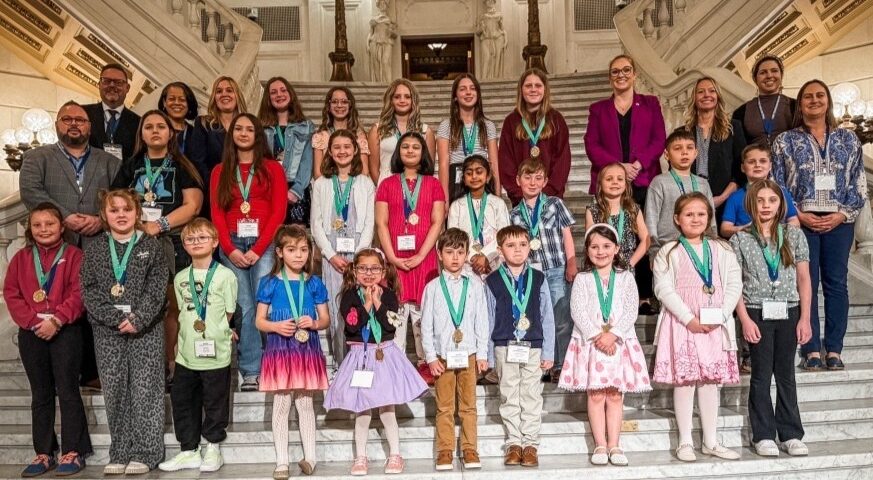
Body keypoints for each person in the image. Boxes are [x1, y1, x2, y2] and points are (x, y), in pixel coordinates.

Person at [20, 100, 121, 390]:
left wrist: (101, 220)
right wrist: (65, 217)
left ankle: (92, 372)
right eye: (67, 119)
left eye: (81, 119)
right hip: (53, 247)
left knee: (94, 307)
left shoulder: (110, 162)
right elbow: (31, 192)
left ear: (90, 126)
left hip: (97, 245)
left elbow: (121, 200)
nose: (74, 123)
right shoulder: (37, 158)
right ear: (57, 125)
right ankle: (62, 374)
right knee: (59, 304)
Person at [771, 79, 865, 371]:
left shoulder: (849, 140)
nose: (814, 100)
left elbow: (858, 183)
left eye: (819, 95)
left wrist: (841, 214)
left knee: (836, 284)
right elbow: (776, 184)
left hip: (839, 222)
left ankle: (834, 349)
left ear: (828, 101)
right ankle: (811, 348)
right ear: (800, 104)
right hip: (800, 222)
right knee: (805, 284)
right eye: (808, 96)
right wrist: (796, 214)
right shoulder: (784, 141)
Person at [111, 109, 204, 381]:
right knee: (140, 304)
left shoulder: (181, 165)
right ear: (141, 133)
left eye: (160, 126)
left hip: (172, 241)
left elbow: (193, 206)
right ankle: (144, 365)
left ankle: (172, 363)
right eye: (148, 126)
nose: (154, 131)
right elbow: (115, 203)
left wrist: (159, 224)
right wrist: (135, 227)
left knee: (173, 306)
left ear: (170, 132)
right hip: (134, 243)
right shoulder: (131, 166)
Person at [80, 189, 168, 475]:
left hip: (146, 330)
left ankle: (146, 452)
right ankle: (119, 450)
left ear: (137, 212)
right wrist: (115, 318)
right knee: (115, 390)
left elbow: (157, 288)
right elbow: (89, 290)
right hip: (107, 331)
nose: (120, 214)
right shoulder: (93, 248)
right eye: (114, 210)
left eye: (126, 209)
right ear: (104, 215)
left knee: (146, 390)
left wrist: (138, 318)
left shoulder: (152, 245)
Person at [652, 192, 741, 462]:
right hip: (683, 322)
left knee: (710, 382)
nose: (695, 219)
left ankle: (711, 441)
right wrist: (689, 317)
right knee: (686, 380)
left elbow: (734, 284)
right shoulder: (668, 252)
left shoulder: (722, 249)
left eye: (701, 214)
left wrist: (721, 315)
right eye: (689, 214)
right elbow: (663, 288)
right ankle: (685, 441)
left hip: (715, 324)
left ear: (709, 218)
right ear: (677, 219)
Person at [4, 203, 91, 477]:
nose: (44, 229)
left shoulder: (75, 255)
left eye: (49, 224)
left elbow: (79, 293)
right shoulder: (21, 258)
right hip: (32, 333)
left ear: (61, 226)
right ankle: (44, 452)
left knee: (67, 390)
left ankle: (73, 451)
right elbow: (12, 293)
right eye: (37, 225)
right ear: (30, 228)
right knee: (40, 394)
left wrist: (57, 320)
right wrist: (32, 322)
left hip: (65, 330)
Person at [323, 248, 427, 476]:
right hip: (360, 356)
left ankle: (395, 454)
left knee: (387, 407)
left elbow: (391, 325)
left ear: (383, 270)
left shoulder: (389, 295)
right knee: (362, 409)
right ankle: (360, 457)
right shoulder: (349, 295)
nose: (369, 273)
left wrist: (378, 303)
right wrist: (367, 303)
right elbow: (353, 325)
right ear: (354, 270)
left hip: (384, 354)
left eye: (374, 268)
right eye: (363, 268)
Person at [730, 180, 812, 458]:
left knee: (786, 375)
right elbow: (734, 285)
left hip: (789, 310)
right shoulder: (740, 239)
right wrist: (744, 319)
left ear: (780, 204)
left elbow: (804, 279)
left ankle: (790, 433)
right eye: (760, 200)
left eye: (772, 201)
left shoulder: (794, 235)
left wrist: (805, 319)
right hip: (756, 311)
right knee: (761, 375)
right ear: (751, 204)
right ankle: (763, 434)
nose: (766, 206)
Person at [559, 223, 650, 466]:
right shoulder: (583, 278)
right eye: (595, 246)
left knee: (615, 395)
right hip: (592, 344)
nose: (601, 251)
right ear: (587, 250)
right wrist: (597, 335)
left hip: (619, 343)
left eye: (607, 246)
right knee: (597, 394)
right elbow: (577, 310)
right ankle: (600, 443)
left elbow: (631, 309)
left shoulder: (626, 277)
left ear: (617, 248)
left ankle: (615, 445)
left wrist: (614, 334)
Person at [210, 113, 287, 391]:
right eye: (238, 129)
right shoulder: (220, 171)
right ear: (231, 135)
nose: (243, 133)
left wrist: (260, 247)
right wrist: (228, 250)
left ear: (258, 135)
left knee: (265, 301)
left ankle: (276, 364)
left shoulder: (272, 168)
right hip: (231, 243)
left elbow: (279, 211)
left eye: (249, 129)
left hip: (264, 242)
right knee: (243, 305)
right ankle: (252, 370)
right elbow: (217, 212)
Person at [585, 54, 664, 313]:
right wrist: (618, 167)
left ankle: (641, 295)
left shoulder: (650, 103)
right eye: (615, 71)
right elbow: (591, 144)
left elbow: (659, 138)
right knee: (606, 235)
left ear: (634, 74)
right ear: (610, 77)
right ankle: (605, 289)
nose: (621, 75)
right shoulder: (598, 109)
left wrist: (639, 163)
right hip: (611, 181)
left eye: (626, 70)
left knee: (638, 236)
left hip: (642, 178)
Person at [158, 219, 237, 473]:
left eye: (202, 238)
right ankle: (189, 450)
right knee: (182, 400)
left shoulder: (226, 275)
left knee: (215, 401)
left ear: (214, 242)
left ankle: (213, 447)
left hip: (216, 352)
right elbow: (180, 312)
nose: (196, 242)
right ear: (184, 244)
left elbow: (229, 312)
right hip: (186, 353)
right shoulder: (181, 277)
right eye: (190, 239)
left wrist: (216, 332)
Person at [254, 225, 330, 480]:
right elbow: (259, 321)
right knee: (282, 403)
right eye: (292, 250)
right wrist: (275, 326)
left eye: (304, 250)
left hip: (306, 347)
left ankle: (310, 457)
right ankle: (282, 461)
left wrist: (315, 323)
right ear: (279, 253)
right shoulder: (269, 283)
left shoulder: (315, 283)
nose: (299, 255)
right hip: (280, 348)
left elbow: (325, 320)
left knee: (306, 404)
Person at [374, 131, 446, 384]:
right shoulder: (387, 184)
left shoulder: (434, 184)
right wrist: (391, 257)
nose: (411, 151)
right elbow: (381, 224)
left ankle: (427, 365)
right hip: (395, 260)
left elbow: (437, 222)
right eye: (405, 147)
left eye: (416, 147)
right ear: (398, 152)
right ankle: (396, 365)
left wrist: (422, 254)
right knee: (396, 312)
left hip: (423, 259)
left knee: (422, 313)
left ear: (424, 152)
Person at [485, 225, 554, 467]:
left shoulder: (539, 278)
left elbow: (547, 317)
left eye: (522, 245)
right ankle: (514, 443)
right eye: (511, 245)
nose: (517, 250)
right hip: (504, 344)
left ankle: (531, 444)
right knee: (509, 394)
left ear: (530, 247)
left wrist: (549, 351)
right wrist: (489, 355)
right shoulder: (492, 280)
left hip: (533, 345)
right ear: (500, 250)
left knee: (532, 395)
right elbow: (488, 318)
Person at [421, 228, 490, 471]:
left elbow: (482, 321)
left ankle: (470, 448)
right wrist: (430, 357)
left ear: (466, 254)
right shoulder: (432, 288)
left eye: (460, 252)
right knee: (445, 406)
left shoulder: (475, 285)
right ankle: (445, 450)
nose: (455, 258)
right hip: (442, 355)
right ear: (439, 254)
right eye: (449, 252)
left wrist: (482, 354)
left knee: (469, 405)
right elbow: (426, 325)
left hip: (469, 353)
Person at [310, 130, 376, 365]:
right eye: (336, 147)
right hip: (333, 256)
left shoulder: (365, 182)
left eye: (347, 146)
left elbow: (369, 221)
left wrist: (360, 257)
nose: (342, 151)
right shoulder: (321, 183)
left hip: (358, 254)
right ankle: (341, 363)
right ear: (329, 151)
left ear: (355, 149)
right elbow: (316, 224)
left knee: (359, 306)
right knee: (337, 309)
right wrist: (330, 255)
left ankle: (362, 360)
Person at [509, 157, 575, 381]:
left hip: (556, 268)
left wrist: (572, 261)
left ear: (545, 181)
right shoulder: (515, 214)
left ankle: (561, 364)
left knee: (561, 318)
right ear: (518, 180)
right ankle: (543, 363)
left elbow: (566, 233)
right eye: (527, 177)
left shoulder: (555, 204)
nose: (533, 182)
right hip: (531, 274)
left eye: (538, 178)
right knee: (539, 317)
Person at [498, 68, 570, 206]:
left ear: (545, 89)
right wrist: (520, 195)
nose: (533, 89)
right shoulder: (511, 121)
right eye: (528, 86)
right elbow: (506, 163)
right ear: (521, 90)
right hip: (521, 201)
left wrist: (546, 194)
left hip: (551, 201)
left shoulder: (556, 120)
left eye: (538, 85)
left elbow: (562, 161)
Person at [645, 128, 716, 258]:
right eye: (677, 148)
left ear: (696, 153)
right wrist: (653, 251)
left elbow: (711, 220)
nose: (684, 152)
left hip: (700, 248)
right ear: (666, 155)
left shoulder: (703, 184)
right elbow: (651, 219)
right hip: (667, 249)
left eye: (689, 148)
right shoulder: (659, 182)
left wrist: (713, 246)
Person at [684, 77, 746, 221]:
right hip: (691, 201)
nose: (707, 95)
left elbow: (741, 169)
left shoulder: (733, 128)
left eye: (712, 91)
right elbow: (676, 170)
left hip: (726, 201)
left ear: (717, 96)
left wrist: (722, 198)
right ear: (694, 98)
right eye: (701, 92)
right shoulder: (683, 132)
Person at [259, 77, 315, 226]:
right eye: (273, 92)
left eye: (283, 90)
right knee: (272, 237)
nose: (279, 95)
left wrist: (295, 191)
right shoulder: (260, 128)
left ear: (291, 94)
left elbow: (307, 162)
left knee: (297, 239)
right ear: (268, 98)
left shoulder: (306, 126)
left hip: (297, 190)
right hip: (269, 190)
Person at [436, 74, 500, 199]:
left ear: (478, 94)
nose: (468, 92)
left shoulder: (488, 125)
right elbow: (443, 164)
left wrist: (497, 195)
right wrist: (444, 198)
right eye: (462, 89)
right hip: (456, 179)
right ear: (455, 97)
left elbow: (494, 163)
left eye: (472, 88)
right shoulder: (446, 125)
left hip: (482, 177)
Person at [447, 154, 510, 277]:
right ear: (463, 179)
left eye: (479, 172)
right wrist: (473, 257)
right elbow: (453, 237)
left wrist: (486, 256)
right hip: (467, 265)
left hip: (494, 263)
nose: (474, 176)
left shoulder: (498, 204)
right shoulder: (456, 206)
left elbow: (504, 235)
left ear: (488, 177)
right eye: (469, 173)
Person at [720, 144, 800, 239]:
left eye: (763, 161)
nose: (757, 165)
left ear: (770, 166)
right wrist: (746, 229)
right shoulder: (735, 197)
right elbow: (724, 229)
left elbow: (794, 221)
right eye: (751, 162)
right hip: (747, 245)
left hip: (778, 243)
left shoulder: (781, 193)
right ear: (743, 167)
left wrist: (778, 231)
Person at [367, 79, 435, 185]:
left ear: (414, 100)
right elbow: (373, 169)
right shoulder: (378, 130)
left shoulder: (425, 131)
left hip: (416, 187)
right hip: (386, 185)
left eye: (407, 97)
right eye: (397, 97)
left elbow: (428, 168)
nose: (402, 100)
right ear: (390, 100)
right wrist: (383, 189)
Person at [190, 76, 248, 198]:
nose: (224, 94)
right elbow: (198, 162)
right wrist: (217, 187)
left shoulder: (248, 125)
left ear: (237, 96)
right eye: (219, 91)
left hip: (245, 192)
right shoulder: (203, 123)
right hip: (214, 192)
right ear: (214, 98)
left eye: (229, 90)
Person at [585, 162, 649, 272]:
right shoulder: (592, 210)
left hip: (626, 269)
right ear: (600, 184)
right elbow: (590, 242)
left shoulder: (633, 209)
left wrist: (631, 263)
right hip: (600, 267)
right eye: (609, 179)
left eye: (620, 179)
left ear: (626, 184)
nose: (615, 182)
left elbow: (646, 240)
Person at [732, 54, 796, 146]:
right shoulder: (741, 112)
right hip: (755, 160)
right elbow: (737, 149)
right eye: (763, 72)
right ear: (755, 78)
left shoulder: (796, 106)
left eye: (774, 71)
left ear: (781, 75)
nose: (769, 75)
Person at [83, 63, 140, 160]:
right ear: (99, 85)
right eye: (106, 81)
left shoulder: (139, 123)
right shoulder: (83, 114)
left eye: (119, 82)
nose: (112, 85)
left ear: (127, 88)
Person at [311, 86, 371, 179]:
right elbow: (318, 174)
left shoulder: (359, 136)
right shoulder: (320, 137)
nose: (339, 105)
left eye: (344, 102)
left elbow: (364, 171)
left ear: (350, 105)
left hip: (354, 187)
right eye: (334, 102)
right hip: (328, 188)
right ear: (329, 106)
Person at [158, 81, 199, 161]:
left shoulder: (196, 134)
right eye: (172, 99)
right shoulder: (153, 129)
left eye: (182, 100)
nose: (177, 103)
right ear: (164, 103)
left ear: (189, 104)